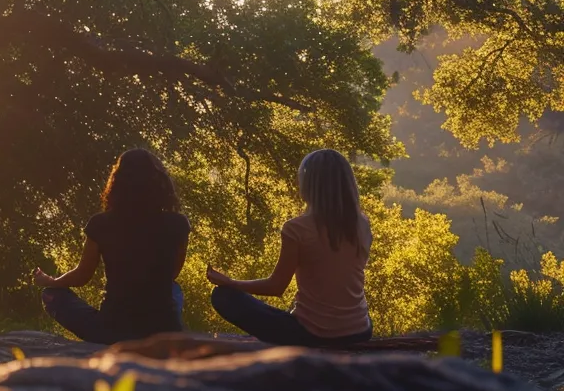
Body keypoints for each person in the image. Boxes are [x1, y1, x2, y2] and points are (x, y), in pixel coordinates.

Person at [206, 149, 373, 347]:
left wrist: (231, 282)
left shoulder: (297, 229)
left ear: (309, 184)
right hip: (360, 331)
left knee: (223, 296)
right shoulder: (362, 224)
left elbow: (276, 287)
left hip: (311, 335)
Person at [31, 148, 189, 345]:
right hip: (164, 331)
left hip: (113, 331)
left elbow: (82, 276)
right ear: (159, 182)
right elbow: (172, 273)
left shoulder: (101, 224)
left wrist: (50, 281)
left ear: (117, 182)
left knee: (52, 294)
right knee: (173, 288)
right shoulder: (178, 224)